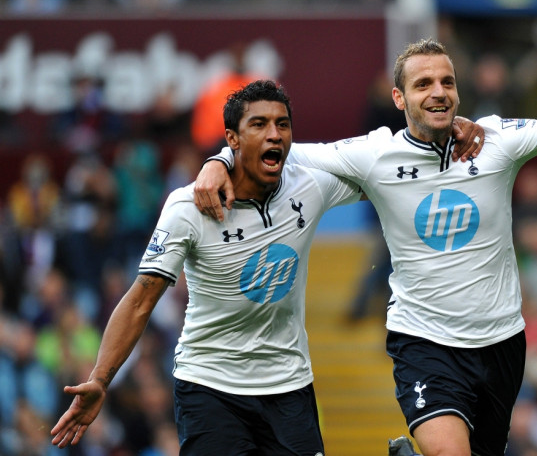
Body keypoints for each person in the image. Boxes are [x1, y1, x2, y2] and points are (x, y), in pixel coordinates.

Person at [194, 2, 537, 456]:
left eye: (446, 82)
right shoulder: (374, 154)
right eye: (423, 84)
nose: (438, 92)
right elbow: (283, 151)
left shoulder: (497, 142)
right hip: (424, 341)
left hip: (502, 340)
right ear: (399, 99)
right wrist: (220, 160)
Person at [48, 80, 364, 455]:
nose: (274, 134)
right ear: (232, 138)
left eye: (282, 124)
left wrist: (445, 135)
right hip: (210, 387)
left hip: (289, 387)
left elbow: (379, 167)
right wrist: (101, 380)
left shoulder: (309, 186)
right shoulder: (187, 207)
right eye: (259, 124)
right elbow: (140, 301)